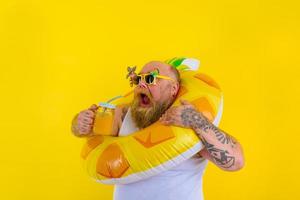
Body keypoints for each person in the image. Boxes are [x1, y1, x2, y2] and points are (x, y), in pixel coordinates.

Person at [71, 60, 245, 200]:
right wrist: (79, 124)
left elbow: (236, 161)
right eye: (138, 79)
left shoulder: (188, 120)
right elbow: (83, 131)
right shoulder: (122, 115)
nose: (142, 85)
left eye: (150, 79)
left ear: (173, 89)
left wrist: (198, 121)